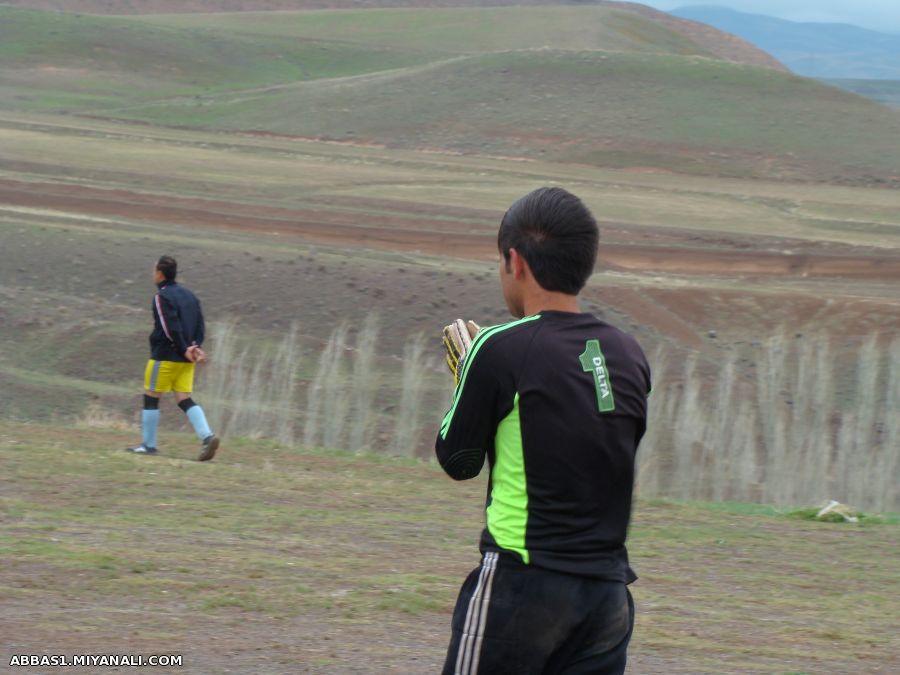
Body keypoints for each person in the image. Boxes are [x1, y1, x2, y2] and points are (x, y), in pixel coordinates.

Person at [436, 187, 651, 674]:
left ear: (515, 261)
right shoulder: (629, 353)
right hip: (608, 597)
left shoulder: (500, 348)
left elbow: (458, 461)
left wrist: (468, 379)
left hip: (522, 586)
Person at [127, 255, 219, 462]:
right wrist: (194, 347)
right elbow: (200, 324)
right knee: (184, 398)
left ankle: (148, 445)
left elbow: (170, 326)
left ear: (159, 273)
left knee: (151, 396)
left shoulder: (161, 297)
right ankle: (207, 437)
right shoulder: (190, 296)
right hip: (186, 360)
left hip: (165, 356)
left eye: (153, 270)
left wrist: (183, 347)